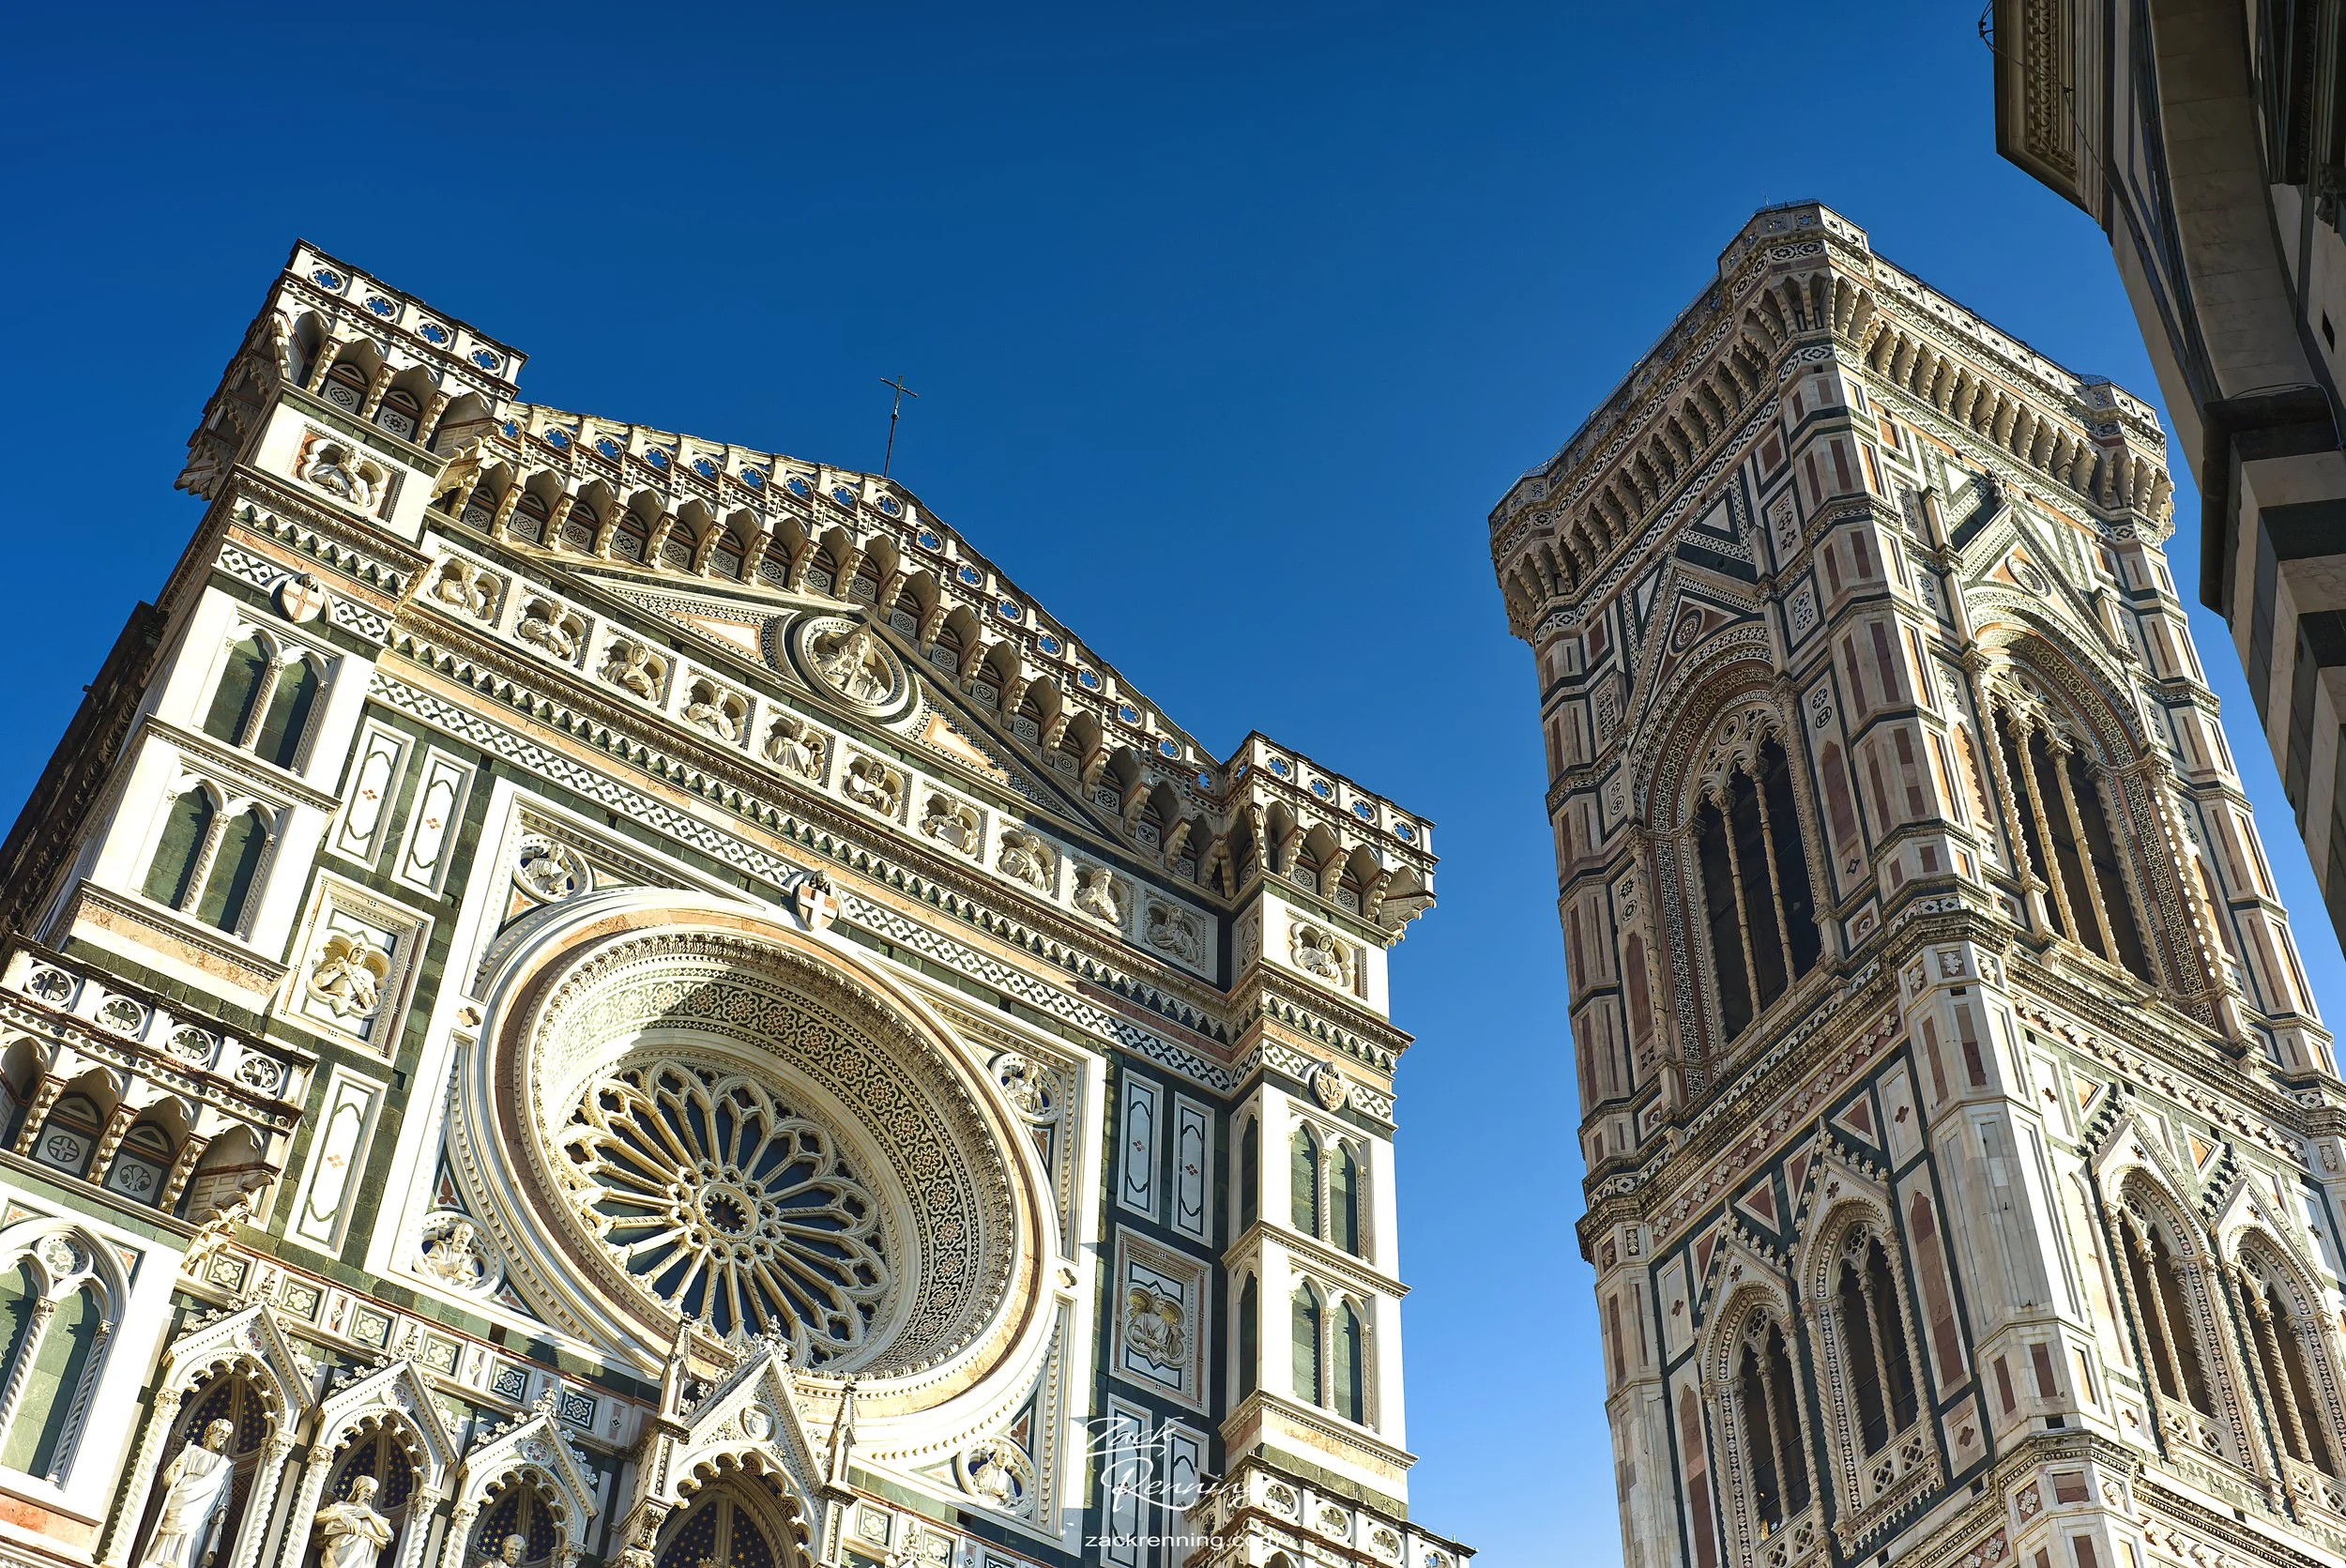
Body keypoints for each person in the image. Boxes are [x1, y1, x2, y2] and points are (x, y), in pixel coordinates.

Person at [141, 1420, 237, 1568]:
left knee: (193, 1532)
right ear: (210, 1432)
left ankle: (183, 1564)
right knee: (174, 1525)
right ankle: (160, 1560)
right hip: (183, 1496)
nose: (224, 1436)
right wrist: (176, 1469)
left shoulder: (225, 1465)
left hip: (205, 1504)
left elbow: (226, 1493)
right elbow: (168, 1481)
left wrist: (222, 1509)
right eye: (221, 1432)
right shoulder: (191, 1450)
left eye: (227, 1434)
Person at [313, 1476, 394, 1568]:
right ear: (358, 1490)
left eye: (373, 1493)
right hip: (338, 1554)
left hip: (362, 1561)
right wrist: (339, 1515)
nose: (369, 1495)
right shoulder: (342, 1506)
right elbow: (317, 1519)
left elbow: (390, 1536)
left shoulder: (375, 1516)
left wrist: (368, 1514)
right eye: (367, 1490)